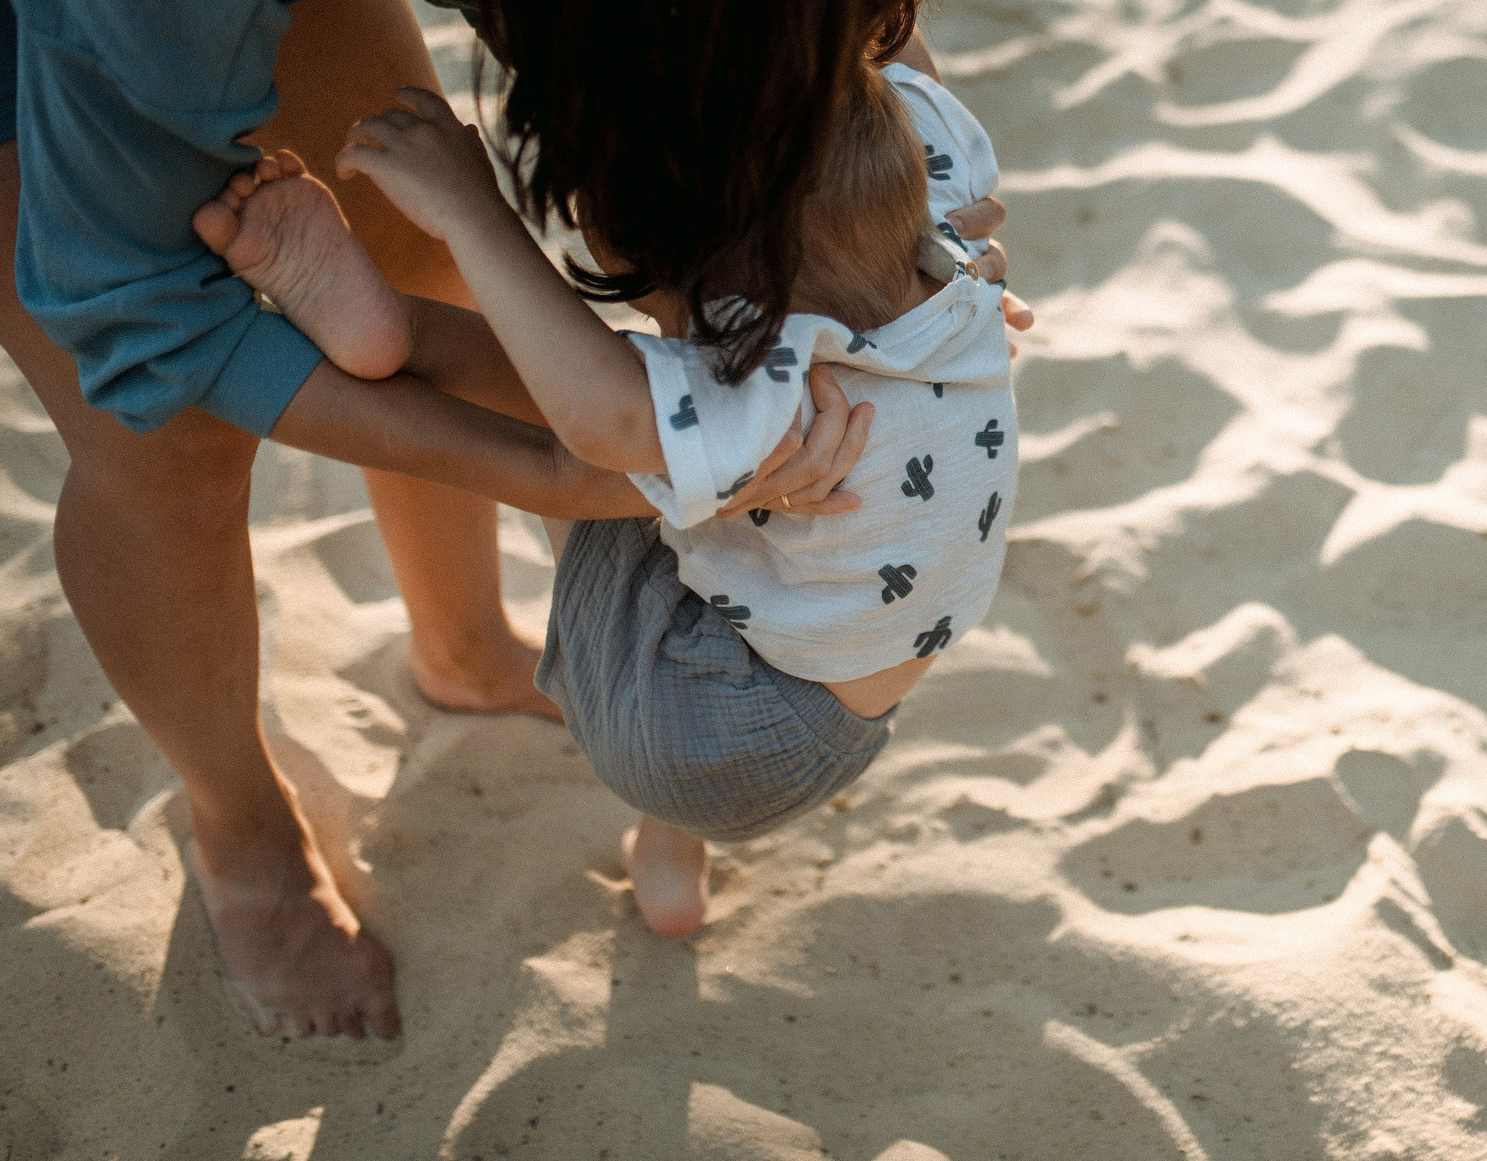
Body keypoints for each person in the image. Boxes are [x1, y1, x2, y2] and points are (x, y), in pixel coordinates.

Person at [0, 0, 1019, 1037]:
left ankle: (458, 640)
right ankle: (239, 829)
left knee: (417, 234)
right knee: (153, 439)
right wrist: (588, 475)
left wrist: (887, 297)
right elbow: (139, 323)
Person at [194, 58, 1014, 935]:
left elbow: (589, 422)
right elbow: (900, 58)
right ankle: (669, 861)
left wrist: (473, 214)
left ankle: (397, 332)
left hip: (700, 723)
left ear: (751, 312)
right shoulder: (936, 192)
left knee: (607, 427)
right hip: (833, 710)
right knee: (699, 473)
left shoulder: (785, 396)